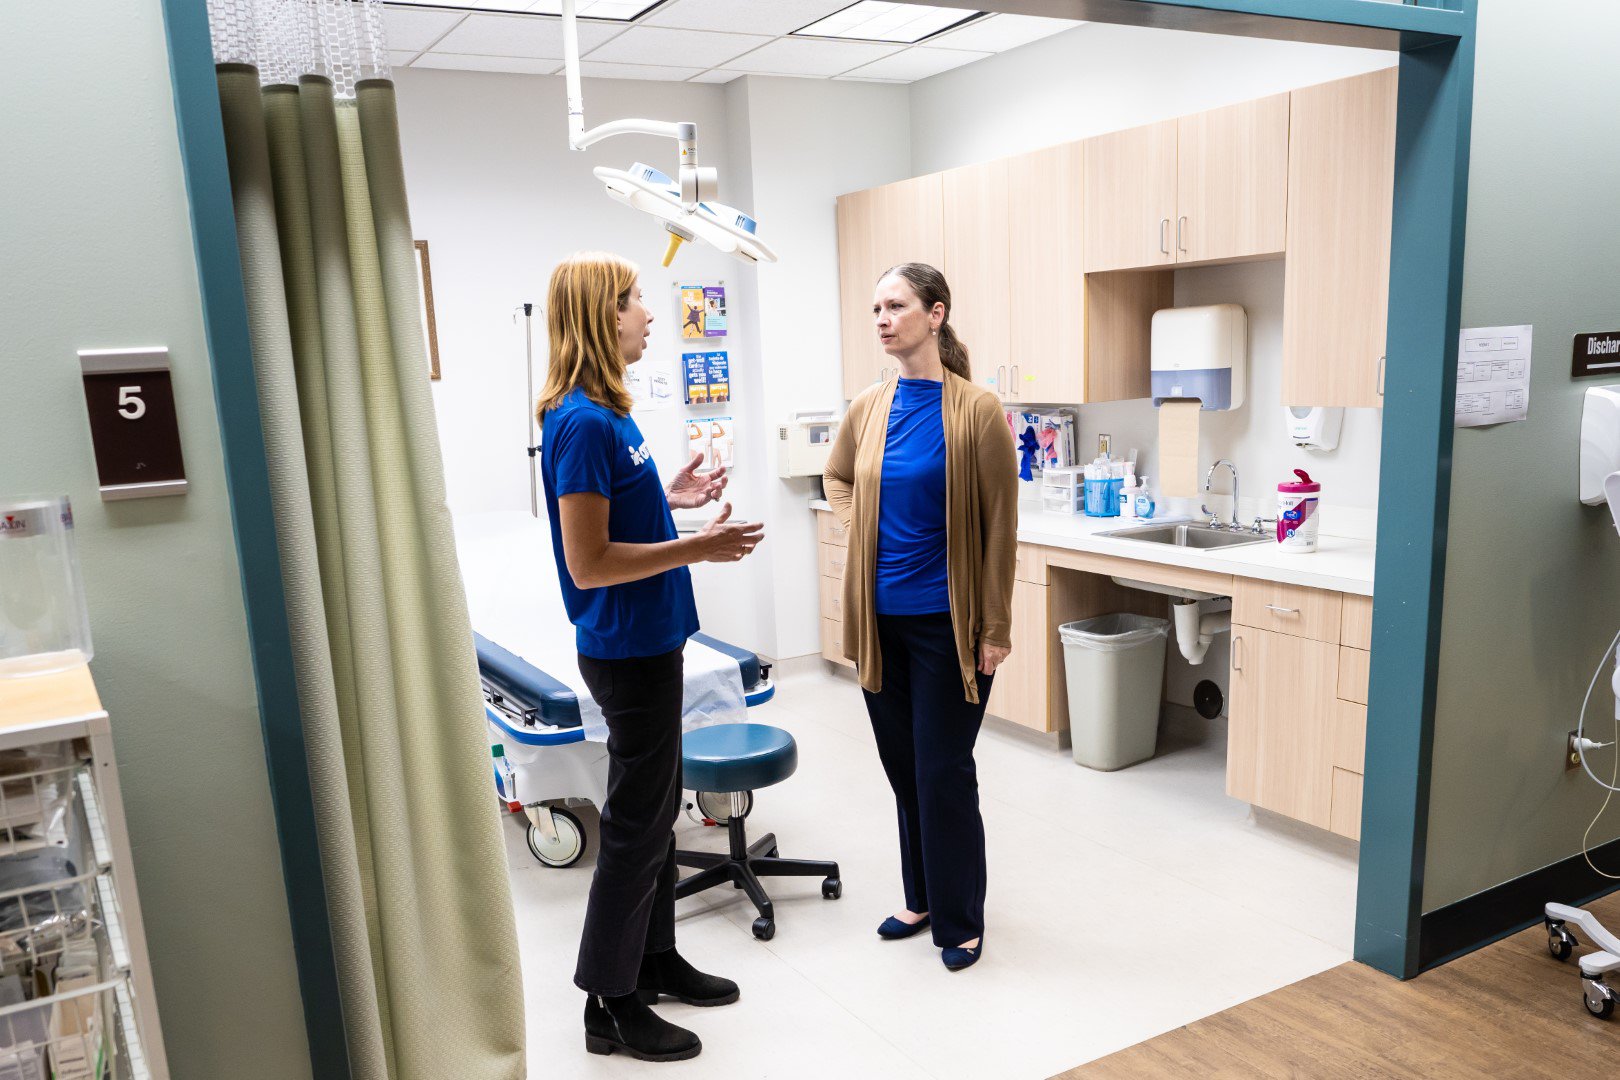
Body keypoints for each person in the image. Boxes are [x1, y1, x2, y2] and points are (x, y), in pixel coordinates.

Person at [536, 252, 765, 1062]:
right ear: (604, 315)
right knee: (634, 827)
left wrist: (672, 497)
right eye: (636, 302)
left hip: (654, 638)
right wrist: (696, 549)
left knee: (657, 815)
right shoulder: (581, 421)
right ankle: (611, 1000)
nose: (648, 316)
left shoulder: (611, 412)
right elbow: (589, 562)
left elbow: (616, 515)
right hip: (627, 651)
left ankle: (656, 958)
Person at [822, 262, 1018, 972]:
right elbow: (837, 475)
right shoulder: (867, 408)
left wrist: (994, 628)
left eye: (896, 305)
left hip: (948, 626)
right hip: (881, 625)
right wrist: (857, 526)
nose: (882, 318)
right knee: (905, 770)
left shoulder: (977, 410)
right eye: (875, 307)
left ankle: (962, 918)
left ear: (935, 315)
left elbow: (1001, 527)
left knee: (942, 772)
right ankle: (923, 894)